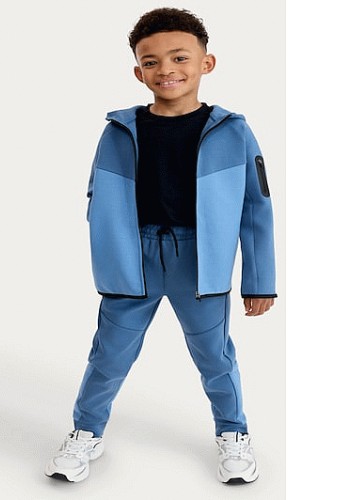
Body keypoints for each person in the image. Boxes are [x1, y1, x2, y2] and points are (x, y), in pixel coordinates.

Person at [44, 7, 277, 485]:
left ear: (206, 63)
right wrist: (110, 258)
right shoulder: (119, 128)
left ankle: (233, 433)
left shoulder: (233, 130)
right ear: (138, 71)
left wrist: (260, 281)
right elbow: (99, 200)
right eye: (150, 62)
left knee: (215, 357)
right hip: (134, 259)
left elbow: (257, 208)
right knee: (109, 355)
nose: (166, 69)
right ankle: (86, 431)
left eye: (179, 57)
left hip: (200, 262)